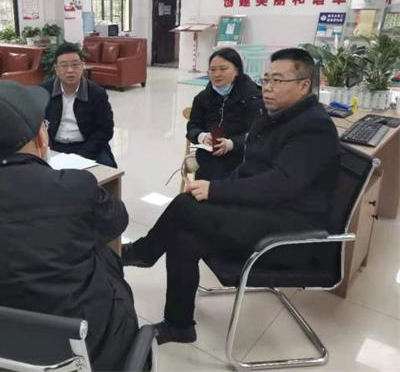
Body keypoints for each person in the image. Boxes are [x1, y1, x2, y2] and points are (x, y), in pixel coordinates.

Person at [122, 48, 340, 345]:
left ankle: (145, 252)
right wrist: (218, 191)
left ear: (304, 85)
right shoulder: (273, 117)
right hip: (263, 210)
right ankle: (179, 324)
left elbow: (280, 185)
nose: (268, 87)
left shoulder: (314, 127)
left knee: (186, 205)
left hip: (289, 229)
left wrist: (216, 190)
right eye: (266, 79)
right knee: (183, 236)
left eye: (278, 80)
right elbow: (249, 170)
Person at [0, 81, 138, 371]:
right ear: (41, 136)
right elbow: (117, 220)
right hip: (81, 356)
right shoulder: (74, 187)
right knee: (103, 254)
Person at [187, 47, 263, 180]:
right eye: (212, 69)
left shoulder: (252, 97)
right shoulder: (203, 97)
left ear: (237, 71)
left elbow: (258, 134)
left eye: (223, 69)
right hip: (209, 152)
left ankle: (209, 190)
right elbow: (192, 126)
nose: (217, 74)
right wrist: (202, 136)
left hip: (241, 152)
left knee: (221, 170)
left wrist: (231, 144)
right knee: (209, 162)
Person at [41, 42, 117, 167]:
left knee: (107, 169)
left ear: (82, 66)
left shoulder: (97, 93)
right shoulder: (44, 91)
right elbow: (36, 126)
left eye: (75, 65)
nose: (70, 70)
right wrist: (49, 149)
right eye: (64, 65)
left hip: (88, 146)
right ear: (56, 69)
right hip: (54, 147)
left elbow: (106, 129)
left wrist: (82, 155)